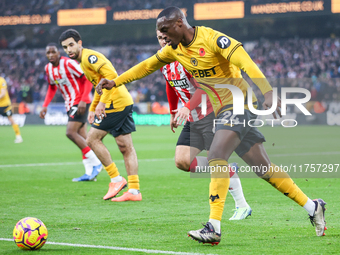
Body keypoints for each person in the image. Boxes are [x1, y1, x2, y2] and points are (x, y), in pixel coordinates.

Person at [96, 6, 326, 244]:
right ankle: (313, 207)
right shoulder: (174, 50)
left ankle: (213, 227)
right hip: (222, 111)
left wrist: (267, 91)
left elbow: (246, 62)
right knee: (263, 169)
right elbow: (145, 67)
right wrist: (115, 81)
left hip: (239, 105)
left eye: (165, 30)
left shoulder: (213, 39)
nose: (162, 36)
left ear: (179, 24)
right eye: (159, 32)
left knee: (216, 155)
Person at [157, 30, 252, 220]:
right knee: (182, 161)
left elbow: (203, 87)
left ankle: (242, 205)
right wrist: (173, 111)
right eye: (160, 37)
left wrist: (187, 106)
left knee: (215, 160)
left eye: (166, 36)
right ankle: (228, 168)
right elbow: (170, 85)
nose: (164, 40)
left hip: (210, 114)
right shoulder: (164, 62)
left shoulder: (188, 59)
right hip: (192, 119)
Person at [59, 29, 141, 202]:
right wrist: (92, 108)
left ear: (80, 43)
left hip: (115, 103)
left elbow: (111, 77)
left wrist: (102, 103)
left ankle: (116, 179)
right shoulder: (82, 62)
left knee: (91, 140)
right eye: (65, 47)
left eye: (71, 45)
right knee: (125, 146)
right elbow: (100, 84)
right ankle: (134, 191)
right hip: (123, 101)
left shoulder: (90, 58)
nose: (68, 50)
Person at [40, 43, 102, 182]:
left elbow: (86, 78)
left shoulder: (68, 63)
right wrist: (45, 106)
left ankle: (97, 162)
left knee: (70, 132)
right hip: (69, 103)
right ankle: (89, 173)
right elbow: (51, 88)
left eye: (53, 52)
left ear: (58, 53)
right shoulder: (48, 68)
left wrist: (84, 99)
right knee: (82, 137)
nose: (50, 55)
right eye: (48, 53)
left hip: (80, 101)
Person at [0, 76, 23, 143]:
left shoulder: (1, 80)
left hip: (5, 105)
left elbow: (3, 94)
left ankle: (18, 137)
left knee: (11, 120)